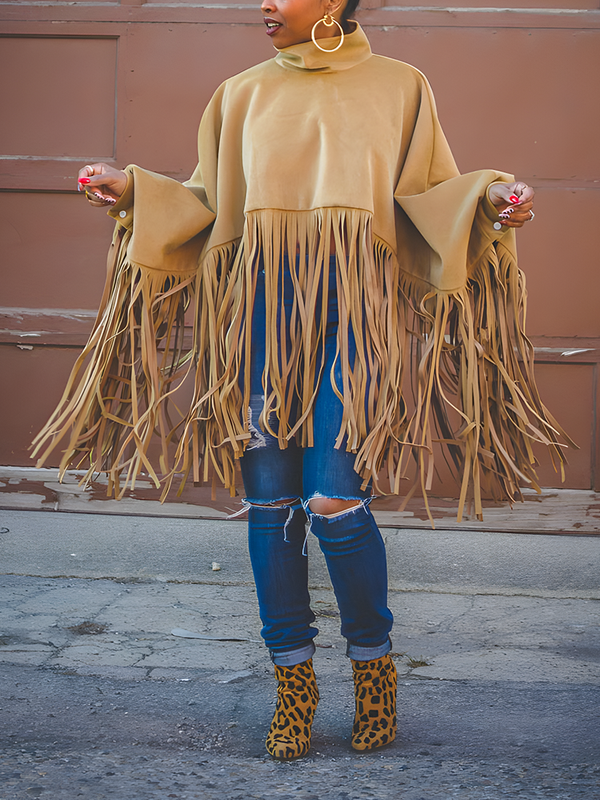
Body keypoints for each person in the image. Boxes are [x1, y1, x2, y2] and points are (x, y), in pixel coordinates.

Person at [33, 0, 571, 760]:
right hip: (257, 322)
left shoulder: (400, 87)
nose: (267, 2)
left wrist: (489, 203)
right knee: (272, 506)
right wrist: (133, 195)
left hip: (354, 322)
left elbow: (430, 198)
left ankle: (373, 669)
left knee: (333, 500)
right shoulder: (240, 92)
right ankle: (293, 684)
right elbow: (204, 205)